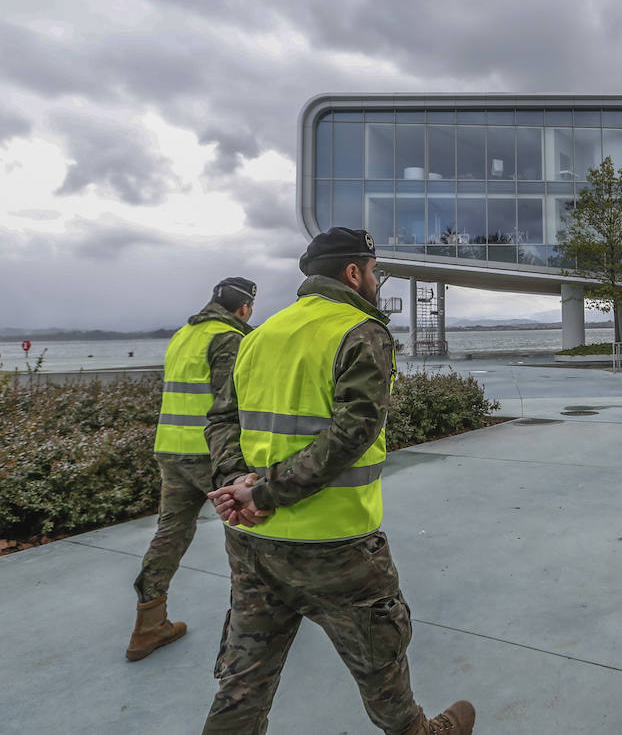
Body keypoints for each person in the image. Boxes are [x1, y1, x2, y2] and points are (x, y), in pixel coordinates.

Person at [201, 227, 474, 735]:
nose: (375, 280)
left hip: (253, 542)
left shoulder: (259, 336)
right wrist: (261, 492)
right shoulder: (360, 332)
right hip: (336, 546)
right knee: (380, 667)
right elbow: (352, 433)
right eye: (374, 271)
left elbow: (221, 419)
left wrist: (240, 484)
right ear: (353, 272)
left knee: (244, 679)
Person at [126, 277, 257, 662]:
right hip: (210, 454)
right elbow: (230, 404)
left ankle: (148, 624)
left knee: (170, 533)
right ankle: (253, 627)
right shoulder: (228, 339)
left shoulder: (183, 334)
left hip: (170, 451)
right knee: (246, 534)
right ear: (245, 308)